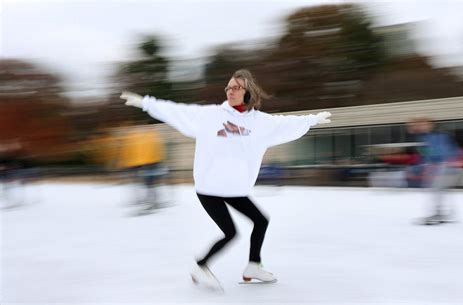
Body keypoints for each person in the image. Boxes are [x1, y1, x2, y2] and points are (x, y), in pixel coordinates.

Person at [120, 69, 332, 289]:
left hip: (234, 189)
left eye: (236, 87)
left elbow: (285, 124)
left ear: (247, 91)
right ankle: (200, 266)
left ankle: (253, 265)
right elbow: (177, 111)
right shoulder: (211, 116)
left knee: (261, 220)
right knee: (230, 232)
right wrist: (145, 102)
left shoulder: (260, 123)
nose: (230, 91)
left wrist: (313, 119)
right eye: (228, 87)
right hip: (209, 188)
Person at [407, 118, 461, 225]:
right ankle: (445, 214)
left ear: (430, 125)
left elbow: (443, 151)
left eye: (422, 124)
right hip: (438, 165)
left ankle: (439, 214)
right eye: (416, 125)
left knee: (437, 189)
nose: (418, 127)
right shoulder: (423, 138)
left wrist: (448, 164)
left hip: (446, 163)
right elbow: (423, 155)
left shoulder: (439, 135)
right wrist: (417, 168)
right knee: (439, 190)